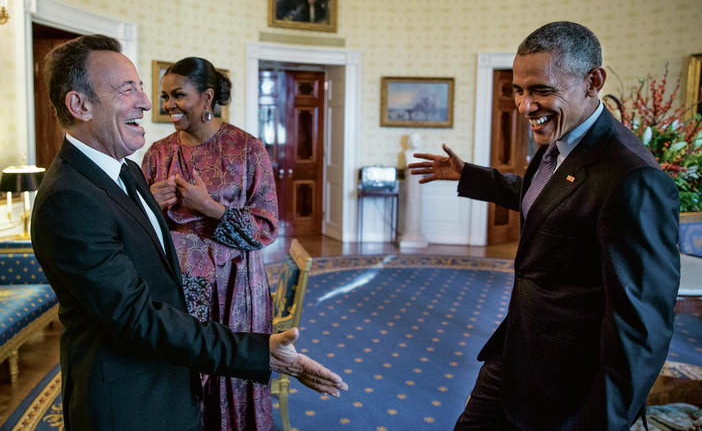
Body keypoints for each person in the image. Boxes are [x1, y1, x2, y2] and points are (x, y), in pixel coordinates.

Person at [31, 34, 347, 431]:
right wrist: (258, 354)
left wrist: (207, 208)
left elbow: (150, 247)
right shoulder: (71, 197)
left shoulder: (125, 169)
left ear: (207, 97)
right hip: (134, 394)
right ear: (79, 104)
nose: (149, 104)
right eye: (129, 89)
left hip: (217, 311)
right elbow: (135, 316)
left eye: (143, 89)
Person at [409, 21, 680, 430]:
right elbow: (552, 200)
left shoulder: (633, 177)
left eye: (541, 90)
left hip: (568, 383)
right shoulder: (559, 143)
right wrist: (472, 176)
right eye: (519, 90)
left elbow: (641, 327)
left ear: (593, 81)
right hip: (515, 350)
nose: (524, 106)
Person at [141, 57, 278, 430]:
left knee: (230, 371)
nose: (169, 105)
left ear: (207, 96)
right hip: (176, 290)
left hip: (235, 289)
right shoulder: (157, 153)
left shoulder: (248, 150)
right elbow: (137, 230)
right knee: (178, 372)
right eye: (165, 96)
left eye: (178, 96)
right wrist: (147, 203)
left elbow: (264, 229)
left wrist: (211, 208)